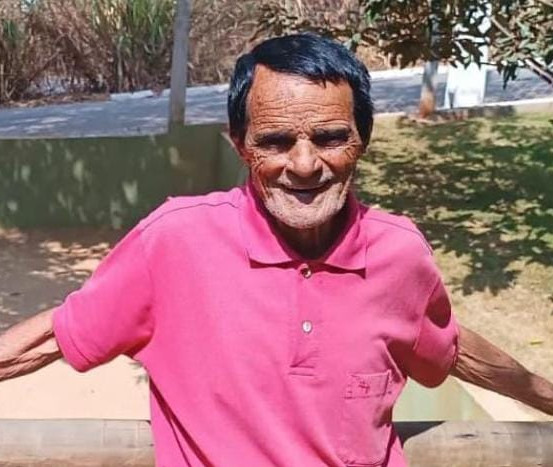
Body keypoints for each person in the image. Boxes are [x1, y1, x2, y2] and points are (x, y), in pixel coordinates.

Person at [0, 33, 552, 467]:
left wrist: (546, 398)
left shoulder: (399, 253)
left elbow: (448, 348)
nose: (305, 165)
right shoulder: (176, 242)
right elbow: (59, 334)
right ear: (240, 144)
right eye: (275, 141)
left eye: (331, 137)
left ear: (362, 139)